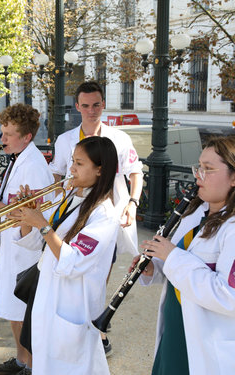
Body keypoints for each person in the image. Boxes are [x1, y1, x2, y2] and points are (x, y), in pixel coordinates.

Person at [9, 136, 119, 374]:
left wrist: (42, 224)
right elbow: (41, 244)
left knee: (72, 366)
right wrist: (29, 217)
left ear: (100, 170)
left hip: (72, 303)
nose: (71, 169)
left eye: (79, 164)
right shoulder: (71, 197)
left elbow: (74, 260)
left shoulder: (104, 215)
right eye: (73, 161)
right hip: (48, 294)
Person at [49, 81, 143, 353]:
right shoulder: (65, 140)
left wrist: (132, 204)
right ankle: (75, 326)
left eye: (97, 105)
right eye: (86, 105)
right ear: (77, 106)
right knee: (69, 264)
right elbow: (57, 174)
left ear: (103, 104)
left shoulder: (120, 138)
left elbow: (135, 172)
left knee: (98, 275)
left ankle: (97, 329)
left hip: (107, 216)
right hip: (73, 213)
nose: (92, 111)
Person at [135, 136, 235, 375]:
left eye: (209, 169)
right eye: (199, 167)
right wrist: (155, 268)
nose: (199, 175)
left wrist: (172, 257)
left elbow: (229, 297)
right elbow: (179, 270)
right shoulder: (194, 213)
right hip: (176, 329)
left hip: (204, 344)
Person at [0, 104, 54, 374]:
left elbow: (35, 214)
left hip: (26, 251)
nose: (3, 139)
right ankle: (22, 360)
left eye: (9, 134)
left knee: (23, 314)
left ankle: (30, 366)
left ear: (27, 137)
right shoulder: (20, 158)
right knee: (13, 311)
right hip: (14, 246)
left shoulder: (32, 166)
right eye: (3, 132)